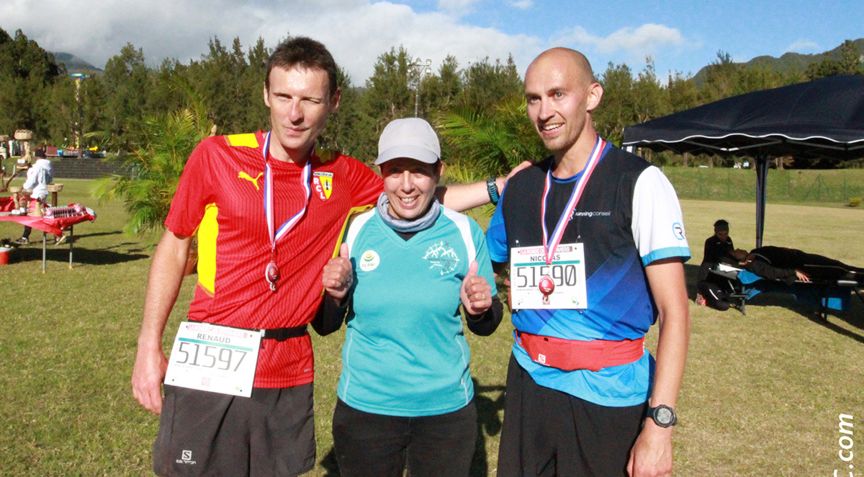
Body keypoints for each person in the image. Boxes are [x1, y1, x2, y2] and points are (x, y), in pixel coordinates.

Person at [130, 36, 518, 477]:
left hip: (288, 359)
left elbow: (415, 194)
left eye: (310, 100)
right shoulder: (217, 155)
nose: (294, 113)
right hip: (213, 351)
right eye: (283, 97)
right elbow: (175, 244)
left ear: (332, 102)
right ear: (266, 95)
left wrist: (497, 187)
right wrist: (148, 346)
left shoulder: (343, 174)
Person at [485, 48, 691, 477]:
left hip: (607, 396)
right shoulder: (521, 186)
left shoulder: (639, 181)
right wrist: (484, 288)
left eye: (558, 94)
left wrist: (660, 426)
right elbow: (488, 268)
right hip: (528, 385)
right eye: (533, 98)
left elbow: (676, 312)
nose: (544, 111)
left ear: (592, 95)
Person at [314, 118, 503, 476]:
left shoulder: (464, 231)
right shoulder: (356, 229)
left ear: (438, 171)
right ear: (380, 173)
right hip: (366, 410)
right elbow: (324, 325)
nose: (406, 185)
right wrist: (335, 296)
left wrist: (480, 309)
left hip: (444, 413)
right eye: (395, 171)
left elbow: (488, 324)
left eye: (419, 171)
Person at [737, 246, 863, 284]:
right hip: (802, 266)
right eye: (734, 251)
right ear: (738, 259)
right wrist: (793, 272)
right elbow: (771, 272)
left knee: (839, 265)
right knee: (839, 270)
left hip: (802, 257)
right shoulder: (754, 264)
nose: (737, 248)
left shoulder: (755, 252)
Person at [695, 219, 737, 309]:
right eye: (720, 235)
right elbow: (717, 258)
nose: (723, 237)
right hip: (708, 275)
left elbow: (731, 255)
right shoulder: (710, 242)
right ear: (715, 233)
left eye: (725, 234)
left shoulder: (729, 241)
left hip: (722, 273)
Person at [14, 148, 53, 245]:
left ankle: (58, 233)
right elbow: (49, 180)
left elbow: (31, 182)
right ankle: (25, 236)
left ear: (36, 157)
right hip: (43, 192)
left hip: (35, 194)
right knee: (40, 214)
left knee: (32, 216)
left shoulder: (36, 167)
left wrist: (24, 187)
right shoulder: (48, 166)